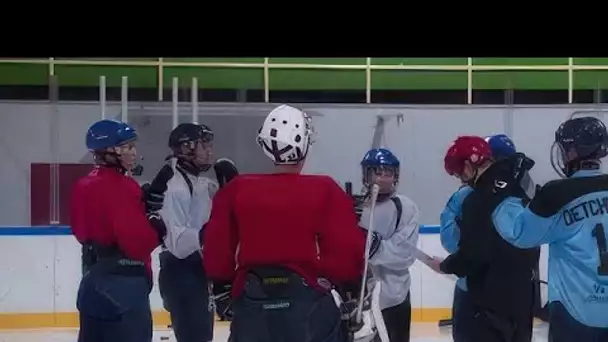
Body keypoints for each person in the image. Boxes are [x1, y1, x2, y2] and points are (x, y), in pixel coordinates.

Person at [202, 104, 366, 342]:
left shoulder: (237, 189)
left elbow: (217, 251)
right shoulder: (325, 189)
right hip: (307, 304)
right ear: (306, 144)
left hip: (252, 301)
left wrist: (223, 289)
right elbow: (346, 255)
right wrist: (345, 288)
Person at [492, 116, 608, 342]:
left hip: (576, 314)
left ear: (572, 151)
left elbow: (520, 233)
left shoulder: (556, 193)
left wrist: (507, 194)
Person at [431, 135, 538, 342]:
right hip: (523, 299)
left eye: (460, 172)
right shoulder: (522, 186)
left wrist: (445, 266)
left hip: (488, 306)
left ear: (470, 163)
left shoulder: (477, 200)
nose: (461, 179)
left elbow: (474, 255)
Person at [70, 119, 168, 342]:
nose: (134, 152)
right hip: (125, 288)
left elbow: (80, 231)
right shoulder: (123, 187)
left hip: (93, 282)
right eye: (128, 147)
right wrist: (155, 226)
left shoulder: (84, 184)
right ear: (109, 151)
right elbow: (137, 243)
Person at [143, 122, 237, 342]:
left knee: (201, 336)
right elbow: (178, 244)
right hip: (182, 271)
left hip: (196, 270)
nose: (210, 150)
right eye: (204, 145)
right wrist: (211, 232)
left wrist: (231, 192)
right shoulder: (171, 185)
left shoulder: (199, 183)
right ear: (187, 148)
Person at [356, 148, 420, 342]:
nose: (383, 178)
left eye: (388, 172)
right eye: (377, 171)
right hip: (359, 300)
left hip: (394, 297)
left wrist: (372, 247)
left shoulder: (405, 207)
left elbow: (404, 255)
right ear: (367, 174)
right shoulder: (356, 207)